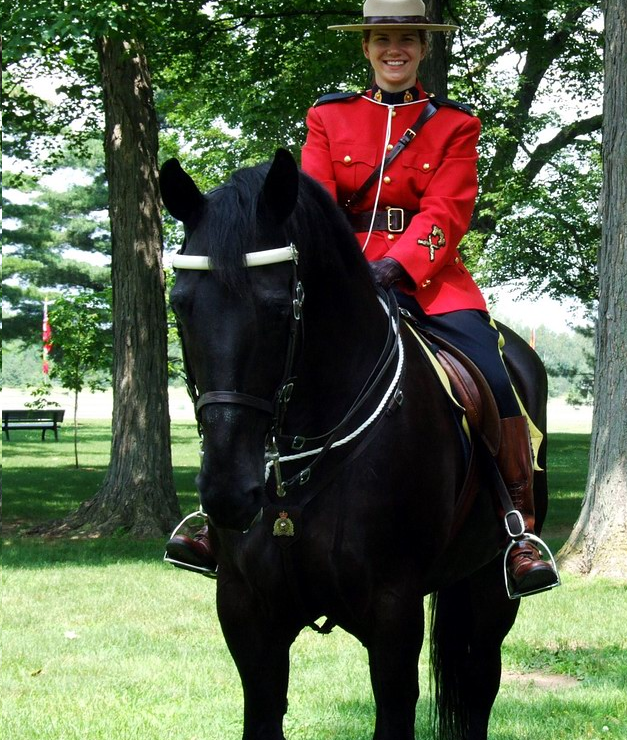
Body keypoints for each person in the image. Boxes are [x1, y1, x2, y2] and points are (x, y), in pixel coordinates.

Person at [166, 0, 558, 597]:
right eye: (382, 39)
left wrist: (398, 265)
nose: (394, 50)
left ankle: (516, 529)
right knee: (259, 364)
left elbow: (448, 211)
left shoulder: (455, 125)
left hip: (431, 282)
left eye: (407, 39)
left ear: (423, 48)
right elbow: (315, 202)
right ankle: (218, 520)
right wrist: (348, 267)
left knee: (495, 373)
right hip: (338, 279)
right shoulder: (329, 116)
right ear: (367, 47)